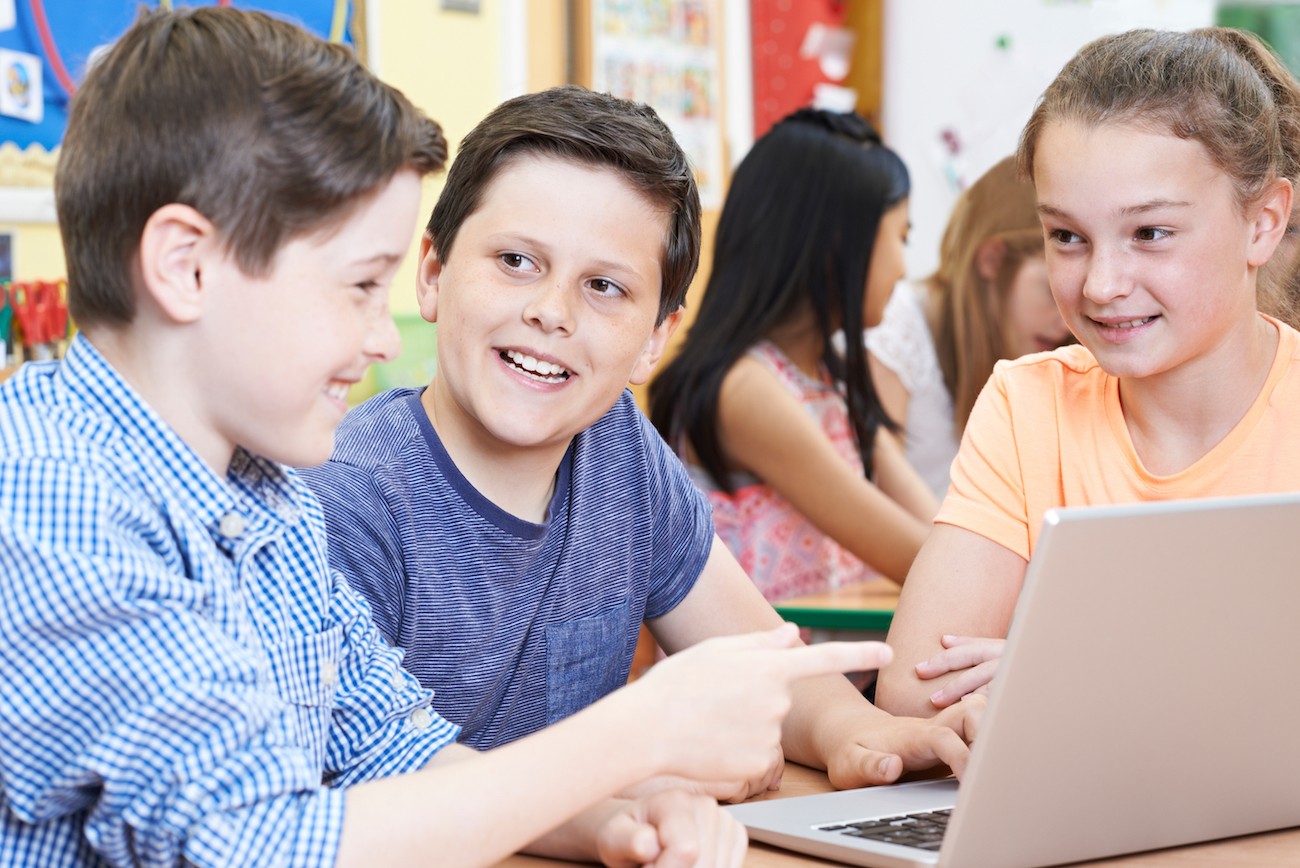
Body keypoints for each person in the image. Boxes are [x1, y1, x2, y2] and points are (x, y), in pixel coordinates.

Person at [0, 8, 905, 866]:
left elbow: (395, 752)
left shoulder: (263, 497)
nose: (385, 337)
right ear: (186, 267)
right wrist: (635, 736)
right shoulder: (52, 494)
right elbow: (254, 844)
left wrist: (611, 816)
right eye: (360, 287)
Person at [301, 89, 980, 800]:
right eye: (516, 261)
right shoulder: (349, 498)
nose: (551, 312)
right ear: (434, 273)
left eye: (603, 286)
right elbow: (359, 784)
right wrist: (619, 783)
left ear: (656, 337)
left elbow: (755, 656)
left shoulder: (619, 448)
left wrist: (856, 733)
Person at [875, 26, 1300, 719]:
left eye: (1150, 234)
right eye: (1067, 237)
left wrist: (1060, 672)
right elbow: (916, 691)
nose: (1101, 284)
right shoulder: (1027, 405)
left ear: (1264, 223)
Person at [647, 108, 937, 601]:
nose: (903, 268)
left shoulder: (833, 380)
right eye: (901, 237)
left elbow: (937, 533)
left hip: (832, 669)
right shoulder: (745, 389)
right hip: (759, 675)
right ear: (839, 244)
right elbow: (919, 557)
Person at [866, 155, 1071, 500]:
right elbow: (881, 502)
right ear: (991, 259)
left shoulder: (1034, 356)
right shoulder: (894, 325)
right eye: (1051, 291)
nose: (1065, 320)